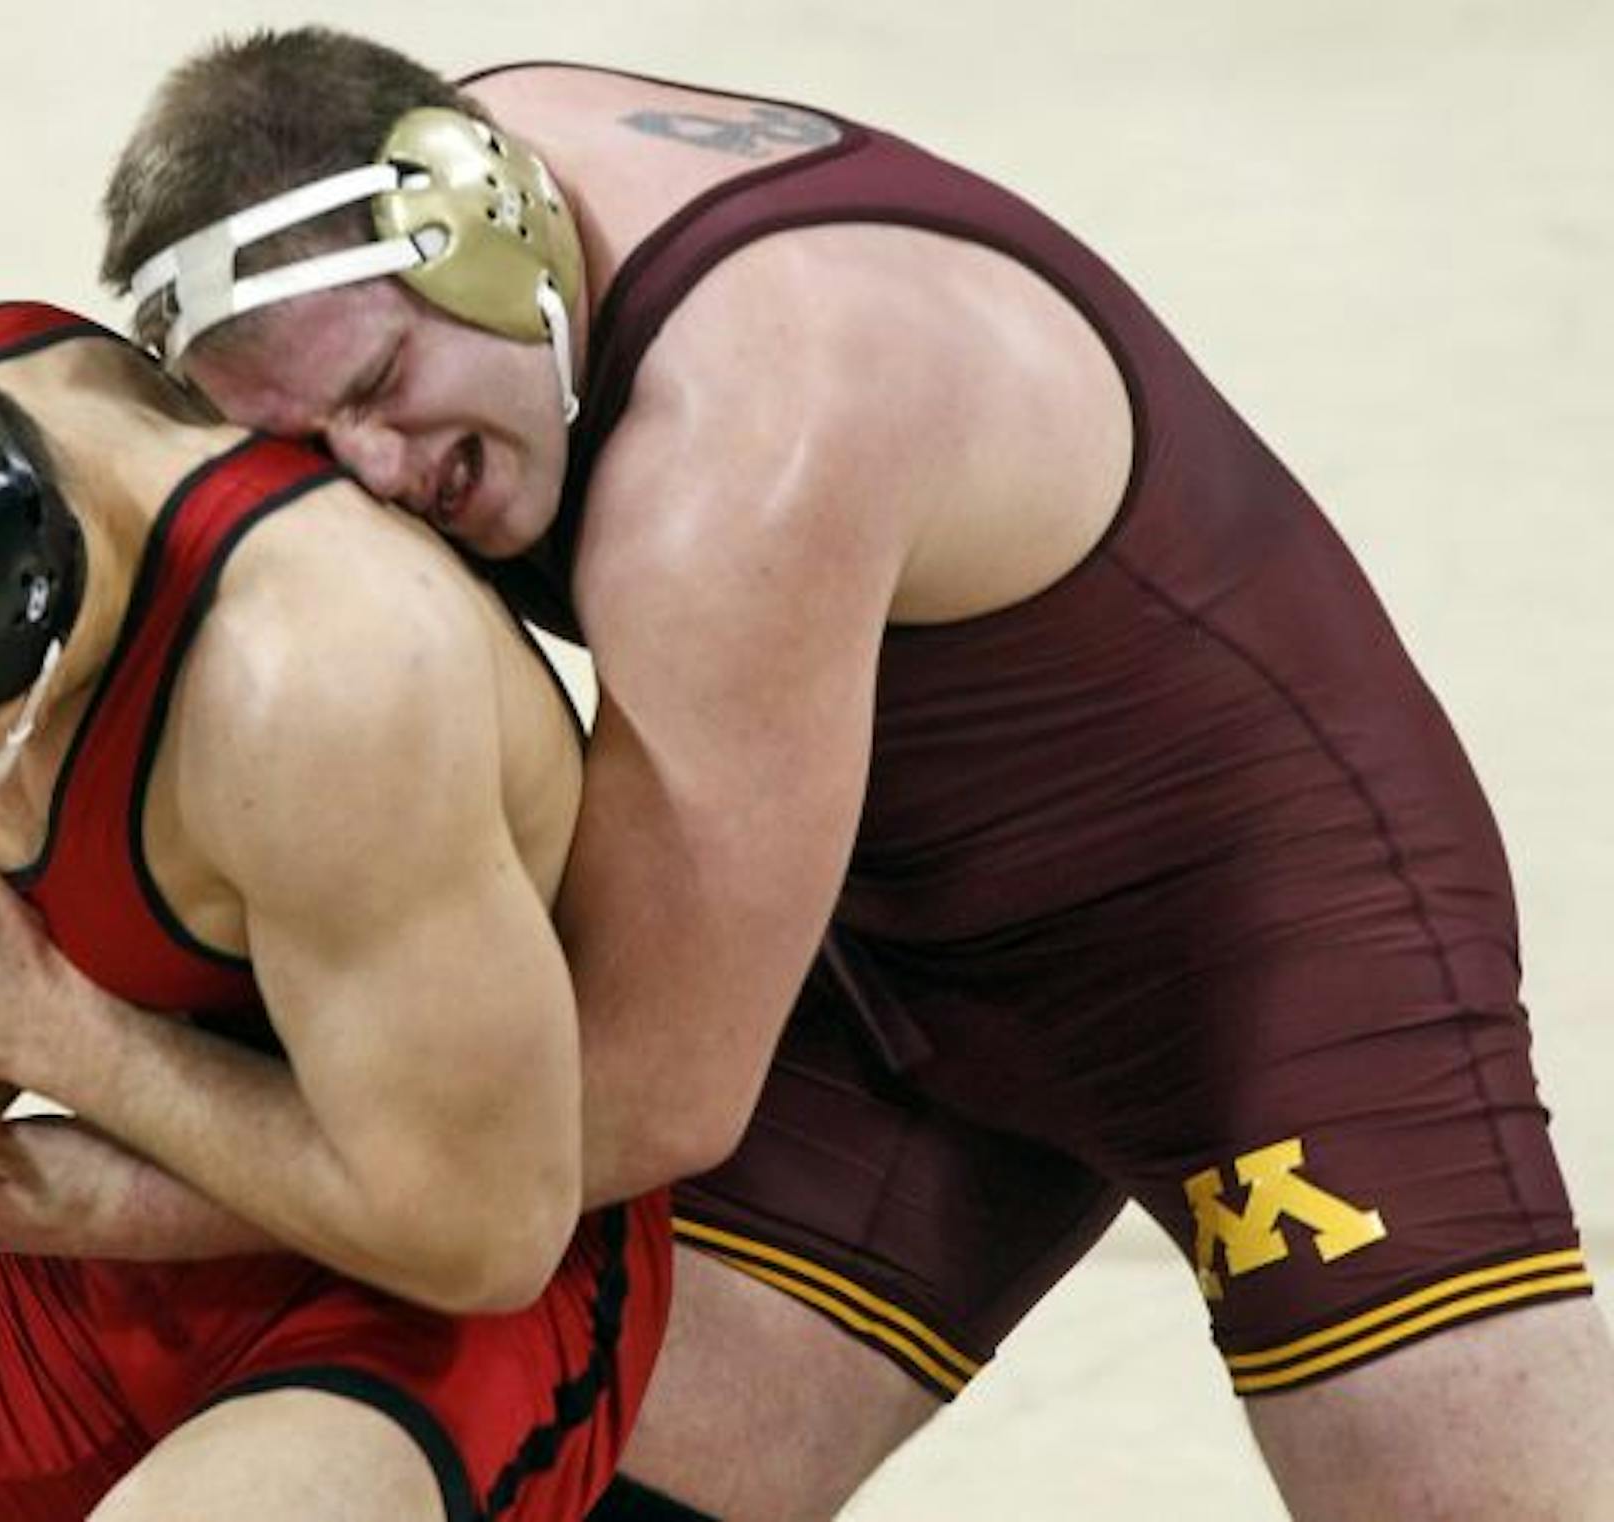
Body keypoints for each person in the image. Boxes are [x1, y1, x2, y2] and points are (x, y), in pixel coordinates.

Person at [78, 27, 1614, 1522]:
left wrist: (110, 1129)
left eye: (386, 383)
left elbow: (602, 1118)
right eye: (306, 443)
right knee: (555, 1479)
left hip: (1250, 942)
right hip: (852, 927)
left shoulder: (741, 448)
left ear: (478, 225)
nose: (384, 475)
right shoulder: (425, 172)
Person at [0, 300, 670, 1522]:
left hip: (447, 1304)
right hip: (106, 1251)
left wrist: (47, 1034)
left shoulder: (321, 681)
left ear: (1, 643)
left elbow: (486, 1227)